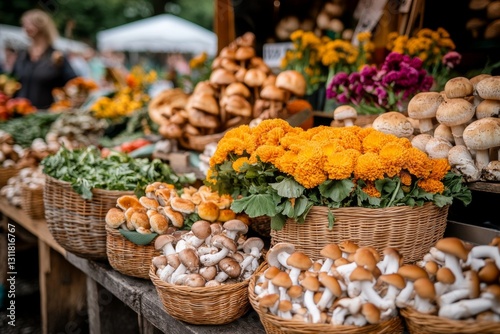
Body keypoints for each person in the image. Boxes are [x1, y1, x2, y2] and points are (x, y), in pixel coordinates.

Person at [10, 9, 77, 109]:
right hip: (19, 114)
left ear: (41, 26)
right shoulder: (22, 55)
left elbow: (73, 83)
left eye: (29, 23)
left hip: (45, 115)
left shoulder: (57, 56)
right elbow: (12, 83)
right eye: (24, 24)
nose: (25, 27)